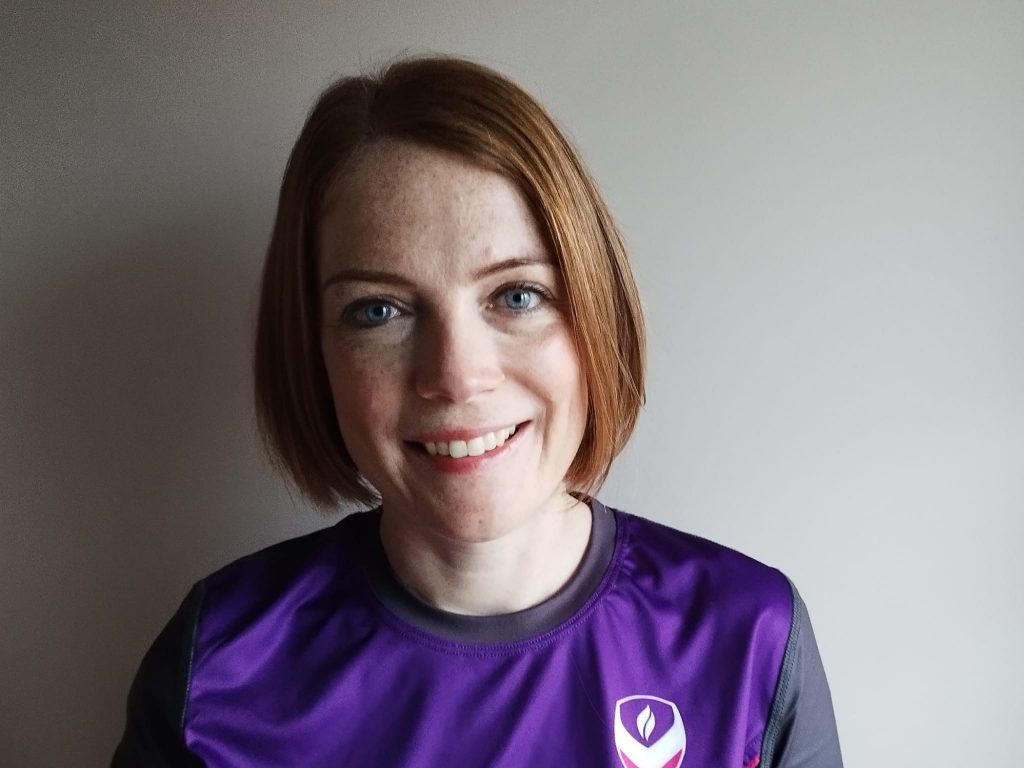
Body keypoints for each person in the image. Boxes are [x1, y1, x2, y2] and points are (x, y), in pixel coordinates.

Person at [112, 55, 842, 767]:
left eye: (517, 296)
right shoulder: (218, 665)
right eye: (378, 310)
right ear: (313, 353)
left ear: (599, 315)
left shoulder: (749, 640)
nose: (457, 378)